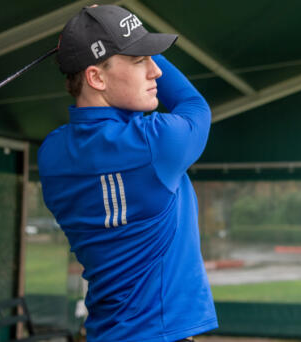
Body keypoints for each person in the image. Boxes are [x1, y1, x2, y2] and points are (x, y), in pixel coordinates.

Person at [38, 5, 218, 342]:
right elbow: (194, 105)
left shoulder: (51, 154)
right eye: (139, 60)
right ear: (96, 77)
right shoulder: (157, 143)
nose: (155, 71)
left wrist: (123, 39)